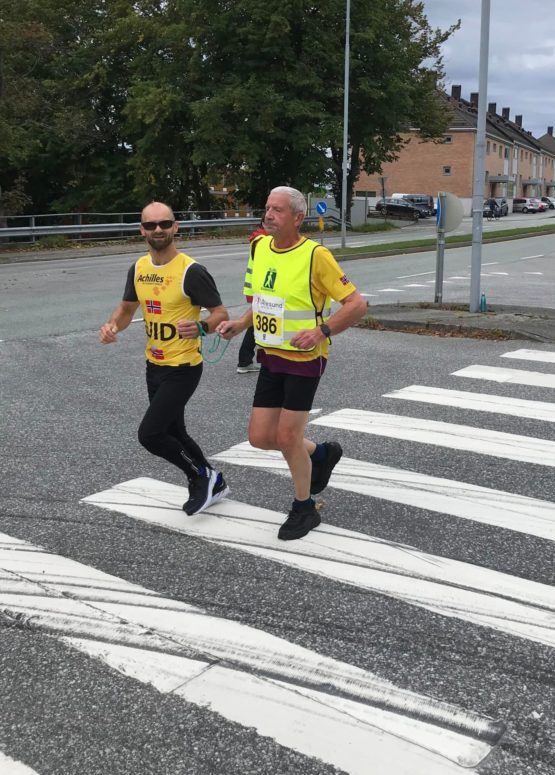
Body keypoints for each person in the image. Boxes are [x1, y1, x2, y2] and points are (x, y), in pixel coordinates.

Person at [217, 186, 367, 541]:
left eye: (278, 210)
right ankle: (322, 454)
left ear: (298, 218)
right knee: (259, 437)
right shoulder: (259, 247)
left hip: (304, 359)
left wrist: (322, 331)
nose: (268, 214)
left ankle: (304, 507)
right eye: (267, 207)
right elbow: (264, 302)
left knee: (287, 436)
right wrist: (240, 325)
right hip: (270, 355)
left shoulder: (316, 255)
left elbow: (357, 305)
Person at [98, 201, 230, 516]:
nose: (158, 230)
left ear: (176, 227)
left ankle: (201, 476)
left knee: (151, 434)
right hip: (154, 365)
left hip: (183, 368)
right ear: (141, 230)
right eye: (151, 225)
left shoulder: (191, 271)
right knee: (175, 433)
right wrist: (112, 325)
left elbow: (221, 314)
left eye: (164, 224)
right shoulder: (139, 268)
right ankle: (216, 483)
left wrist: (200, 327)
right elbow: (128, 309)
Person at [237, 225, 267, 374]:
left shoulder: (259, 238)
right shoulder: (262, 240)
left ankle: (246, 359)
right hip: (260, 289)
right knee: (256, 323)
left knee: (256, 322)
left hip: (257, 288)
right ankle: (244, 360)